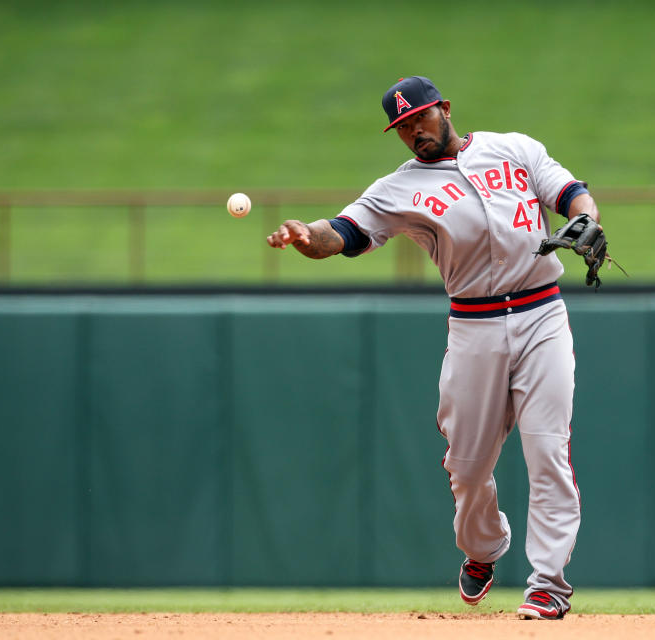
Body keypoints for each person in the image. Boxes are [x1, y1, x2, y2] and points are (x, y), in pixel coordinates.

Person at [266, 76, 600, 621]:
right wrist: (308, 236)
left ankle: (548, 585)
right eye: (401, 126)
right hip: (475, 328)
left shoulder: (514, 148)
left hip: (543, 317)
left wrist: (587, 218)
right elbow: (344, 233)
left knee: (548, 453)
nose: (413, 130)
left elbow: (569, 193)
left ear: (444, 108)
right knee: (466, 468)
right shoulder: (399, 187)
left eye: (419, 117)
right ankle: (483, 548)